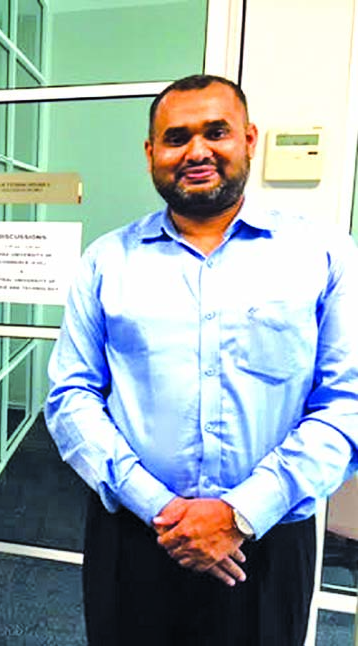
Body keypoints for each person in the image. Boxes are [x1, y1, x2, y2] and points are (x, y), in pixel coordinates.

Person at [45, 74, 358, 646]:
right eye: (176, 137)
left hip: (266, 542)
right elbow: (71, 398)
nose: (196, 151)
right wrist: (161, 508)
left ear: (249, 139)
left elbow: (346, 405)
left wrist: (237, 514)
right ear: (150, 153)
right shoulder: (106, 262)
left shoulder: (324, 254)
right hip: (136, 537)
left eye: (217, 132)